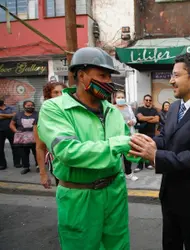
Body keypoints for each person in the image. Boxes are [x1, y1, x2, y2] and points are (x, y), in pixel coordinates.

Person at [37, 47, 136, 250]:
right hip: (79, 196)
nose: (108, 81)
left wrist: (147, 149)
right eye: (102, 75)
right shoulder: (54, 108)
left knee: (118, 245)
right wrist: (121, 144)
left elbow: (128, 146)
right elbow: (67, 151)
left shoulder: (113, 111)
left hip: (115, 192)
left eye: (109, 76)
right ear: (81, 75)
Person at [129, 53, 190, 250]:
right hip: (169, 193)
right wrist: (144, 144)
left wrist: (154, 156)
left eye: (176, 75)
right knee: (170, 244)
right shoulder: (174, 108)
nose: (171, 80)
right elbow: (165, 138)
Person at [34, 81, 67, 188]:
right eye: (55, 92)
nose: (59, 95)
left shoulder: (72, 112)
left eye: (62, 92)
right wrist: (43, 174)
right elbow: (40, 148)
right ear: (49, 95)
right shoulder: (42, 117)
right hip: (58, 164)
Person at [114, 90, 139, 181]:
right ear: (115, 98)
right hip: (117, 135)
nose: (120, 99)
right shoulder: (112, 108)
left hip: (128, 134)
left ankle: (128, 173)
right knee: (116, 155)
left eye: (122, 97)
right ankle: (116, 174)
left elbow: (134, 118)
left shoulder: (128, 107)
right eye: (118, 97)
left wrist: (133, 122)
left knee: (127, 155)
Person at [9, 100, 38, 175]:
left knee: (37, 152)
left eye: (32, 105)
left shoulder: (38, 114)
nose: (30, 107)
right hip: (22, 138)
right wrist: (16, 131)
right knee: (24, 153)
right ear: (24, 106)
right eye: (28, 105)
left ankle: (38, 166)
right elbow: (11, 124)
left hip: (35, 137)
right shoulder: (18, 115)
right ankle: (26, 167)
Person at [134, 94, 159, 172]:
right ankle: (140, 165)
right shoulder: (139, 109)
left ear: (151, 101)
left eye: (150, 100)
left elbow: (157, 120)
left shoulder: (154, 110)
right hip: (142, 132)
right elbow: (140, 118)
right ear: (144, 101)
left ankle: (148, 164)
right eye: (146, 100)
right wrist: (151, 117)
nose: (148, 101)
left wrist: (145, 119)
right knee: (140, 148)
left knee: (149, 148)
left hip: (151, 133)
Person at [0, 97, 18, 170]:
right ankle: (2, 164)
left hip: (11, 130)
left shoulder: (11, 107)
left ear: (3, 100)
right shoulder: (10, 110)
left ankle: (17, 163)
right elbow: (12, 115)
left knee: (15, 147)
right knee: (0, 149)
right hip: (0, 131)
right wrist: (9, 116)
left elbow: (15, 115)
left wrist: (2, 115)